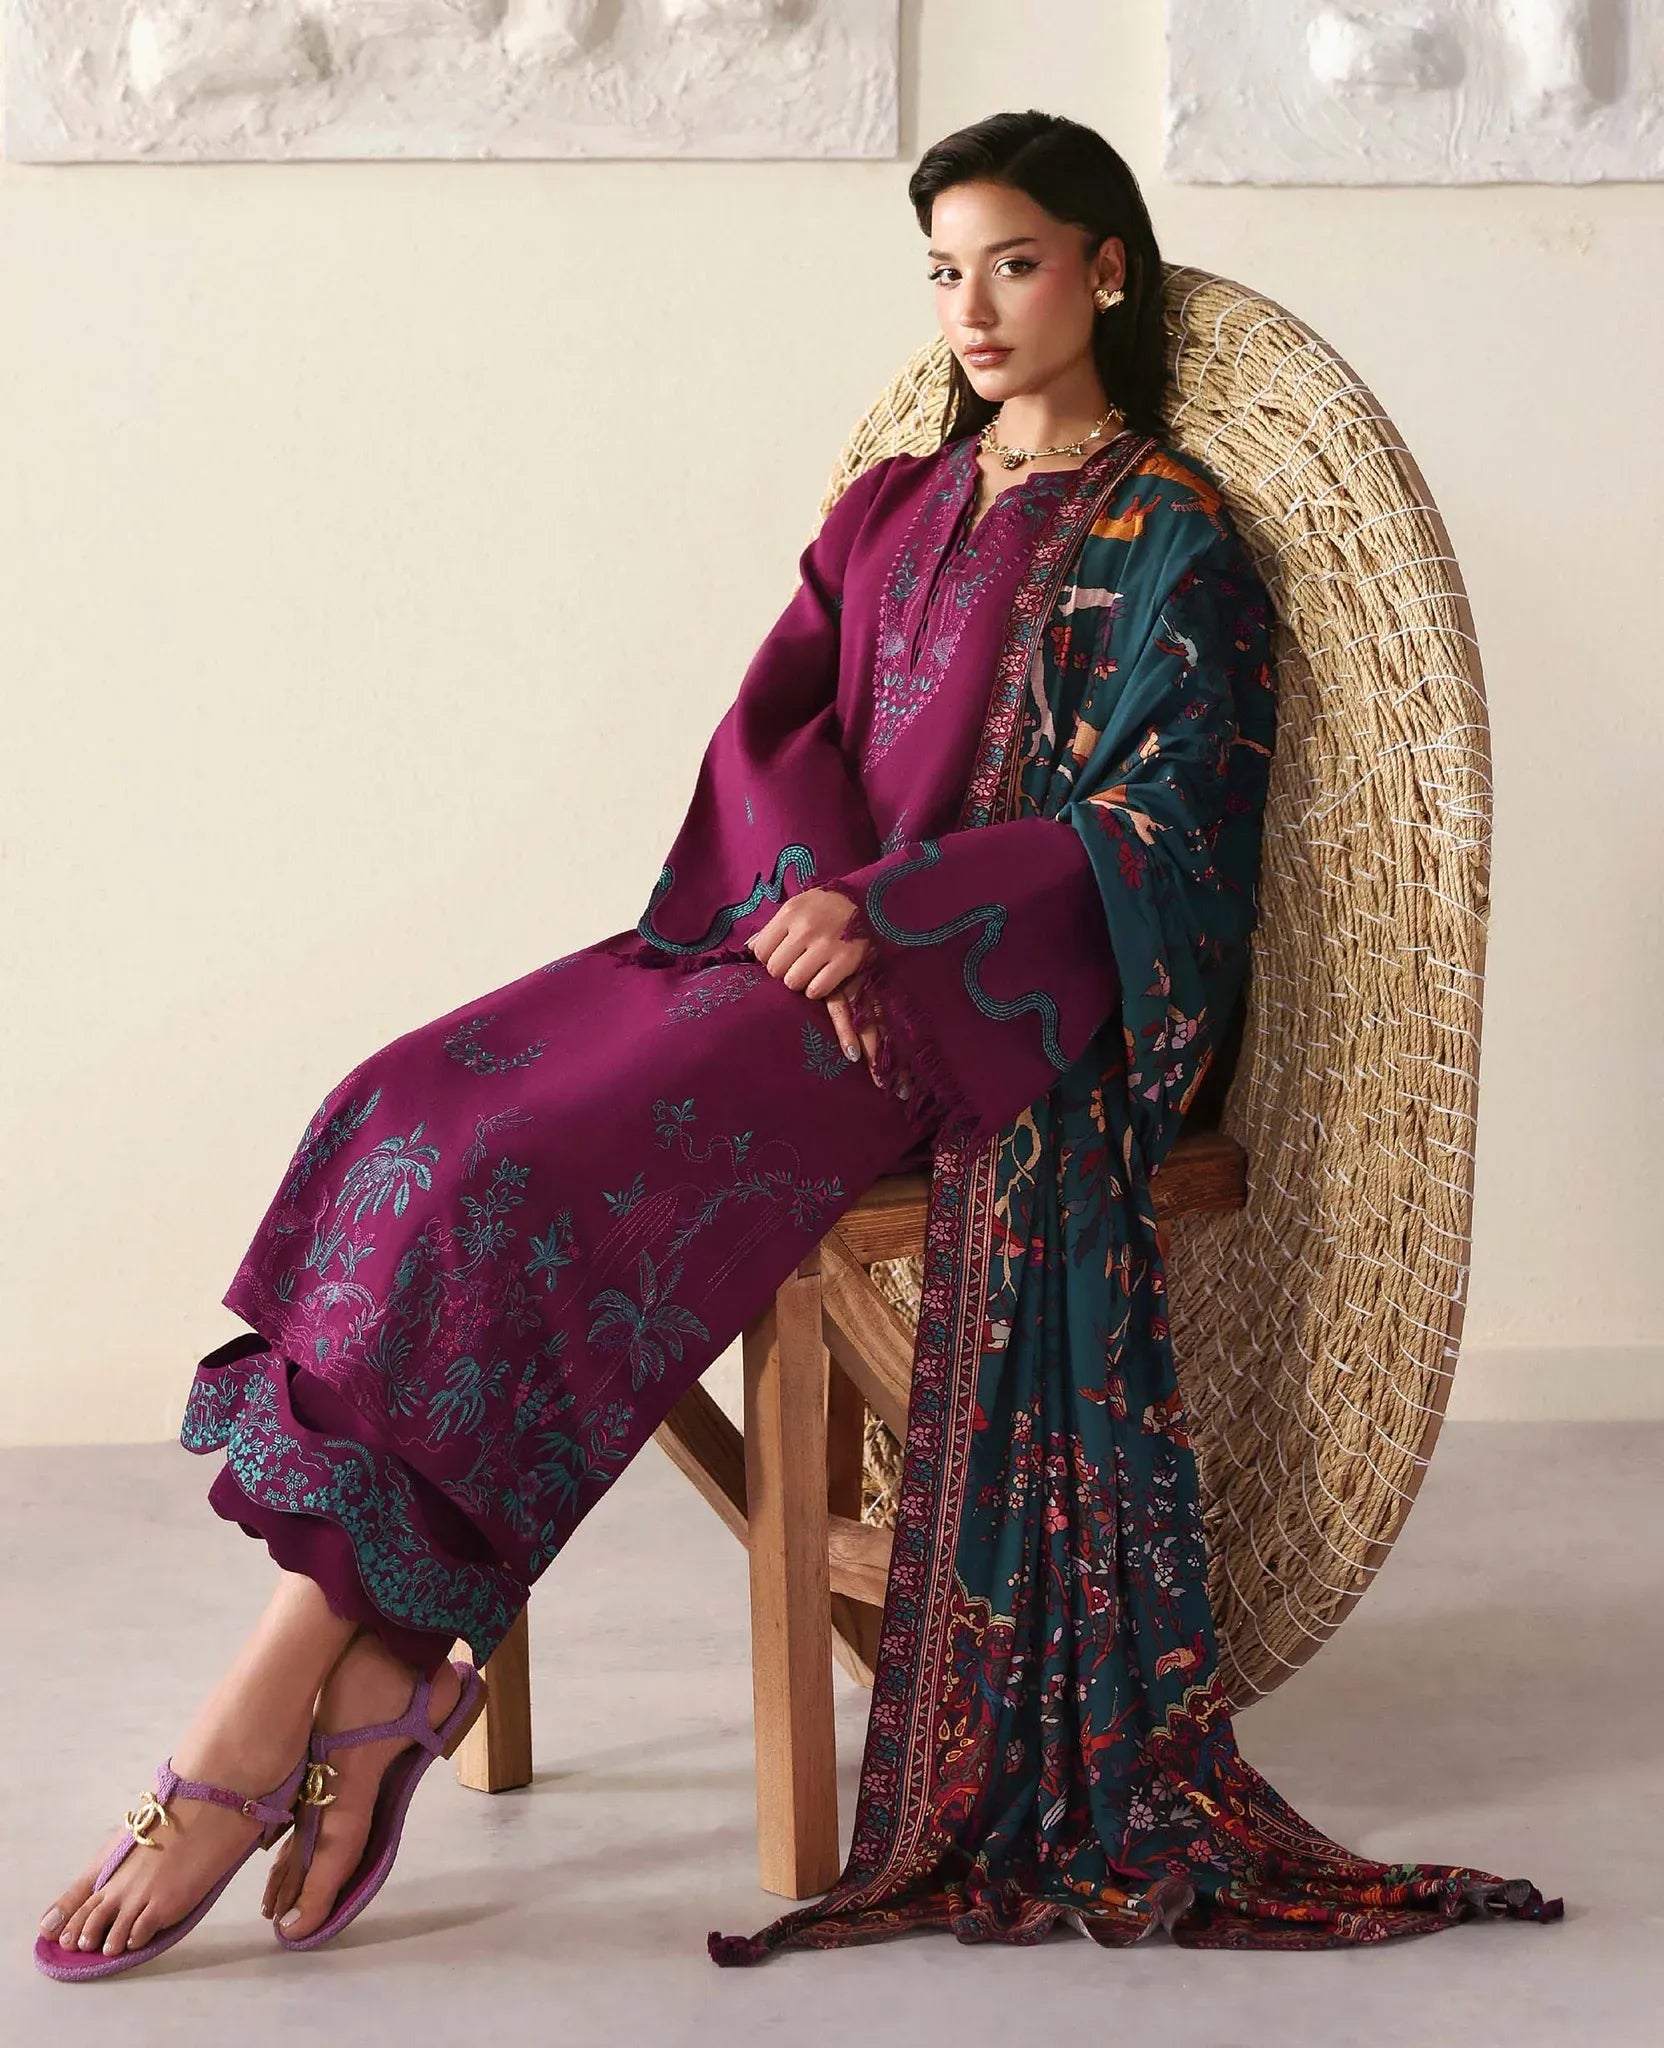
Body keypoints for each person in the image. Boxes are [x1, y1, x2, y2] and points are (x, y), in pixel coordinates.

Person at [35, 109, 1564, 1980]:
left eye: (1013, 263)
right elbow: (769, 736)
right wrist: (816, 910)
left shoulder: (1176, 541)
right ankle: (366, 1678)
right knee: (409, 1110)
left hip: (955, 1022)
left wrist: (901, 927)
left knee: (521, 1175)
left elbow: (1167, 829)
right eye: (944, 272)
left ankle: (273, 1708)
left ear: (1105, 270)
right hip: (764, 957)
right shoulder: (891, 510)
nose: (972, 309)